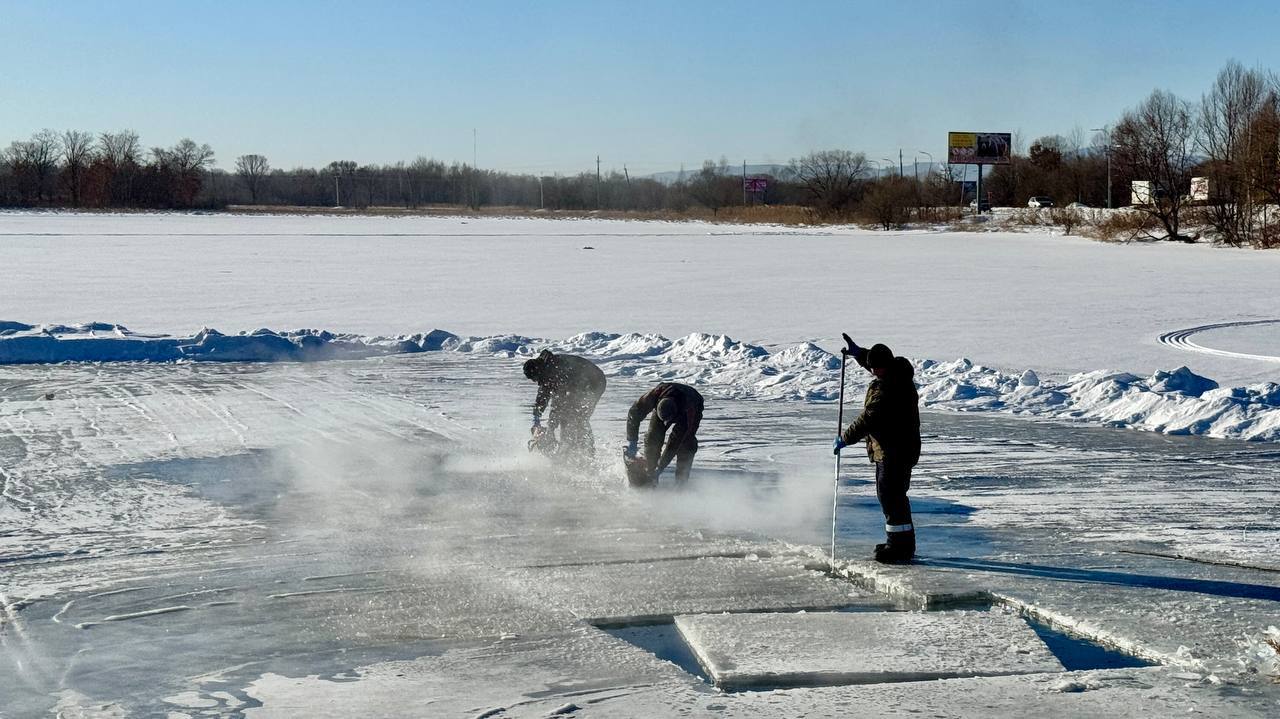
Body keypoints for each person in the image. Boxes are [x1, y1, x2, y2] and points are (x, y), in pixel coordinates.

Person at [833, 337, 921, 563]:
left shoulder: (888, 388)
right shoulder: (896, 372)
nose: (871, 371)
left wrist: (845, 438)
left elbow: (869, 418)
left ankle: (899, 548)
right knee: (892, 495)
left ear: (884, 366)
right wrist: (859, 353)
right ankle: (900, 542)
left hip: (895, 450)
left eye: (874, 368)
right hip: (894, 448)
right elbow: (876, 362)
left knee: (891, 496)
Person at [523, 349, 606, 462]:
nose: (538, 382)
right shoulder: (546, 369)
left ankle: (587, 454)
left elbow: (559, 403)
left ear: (539, 372)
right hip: (579, 384)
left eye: (537, 379)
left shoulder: (556, 370)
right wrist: (536, 419)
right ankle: (567, 450)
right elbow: (544, 394)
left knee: (578, 417)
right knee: (567, 415)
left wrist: (551, 428)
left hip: (594, 382)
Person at [625, 382, 704, 485]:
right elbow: (634, 413)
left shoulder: (688, 411)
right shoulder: (655, 395)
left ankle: (681, 482)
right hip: (666, 403)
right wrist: (632, 441)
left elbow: (674, 443)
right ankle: (650, 472)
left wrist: (661, 467)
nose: (665, 424)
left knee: (686, 443)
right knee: (652, 437)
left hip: (693, 404)